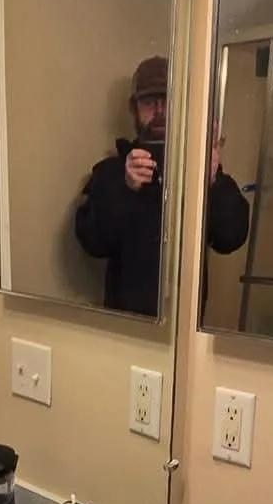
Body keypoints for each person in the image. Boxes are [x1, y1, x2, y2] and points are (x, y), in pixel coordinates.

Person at [73, 56, 251, 316]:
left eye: (168, 101)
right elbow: (93, 243)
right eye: (148, 102)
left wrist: (213, 181)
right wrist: (125, 189)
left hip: (185, 326)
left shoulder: (196, 169)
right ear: (134, 109)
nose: (159, 111)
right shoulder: (112, 171)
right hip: (124, 327)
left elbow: (230, 239)